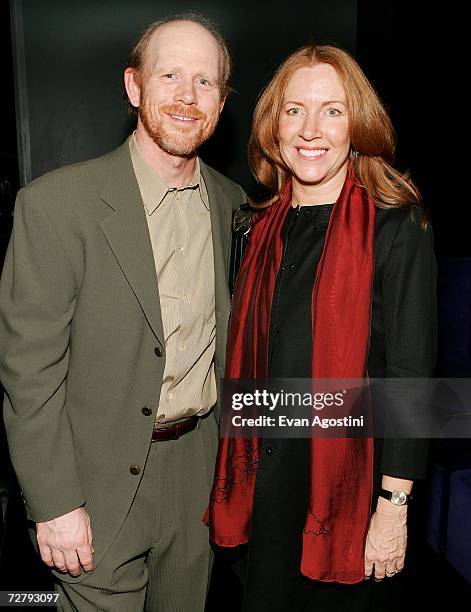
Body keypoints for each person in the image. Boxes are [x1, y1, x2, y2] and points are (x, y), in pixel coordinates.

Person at [0, 13, 245, 611]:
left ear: (222, 101)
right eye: (169, 76)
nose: (187, 97)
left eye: (205, 82)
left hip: (198, 473)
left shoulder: (233, 205)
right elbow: (28, 371)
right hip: (95, 479)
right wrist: (55, 503)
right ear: (135, 87)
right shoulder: (56, 205)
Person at [206, 42, 437, 611]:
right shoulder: (253, 228)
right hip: (266, 484)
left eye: (333, 110)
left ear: (357, 123)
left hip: (348, 491)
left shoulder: (397, 227)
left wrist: (394, 507)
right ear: (273, 126)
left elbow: (410, 377)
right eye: (294, 110)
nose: (312, 130)